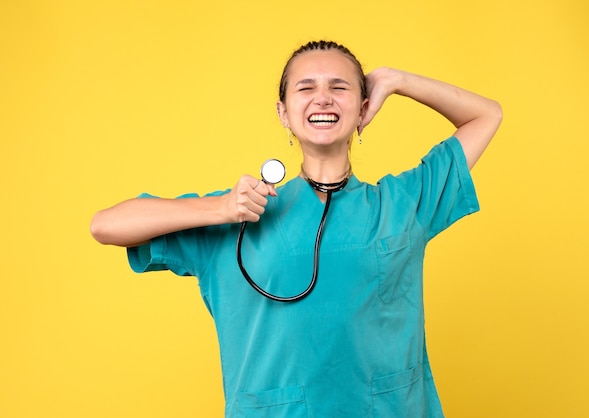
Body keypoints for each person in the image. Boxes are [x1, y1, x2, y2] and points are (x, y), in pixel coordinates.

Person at [91, 40, 502, 417]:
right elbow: (106, 225)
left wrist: (396, 80)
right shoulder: (240, 214)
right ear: (283, 112)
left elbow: (487, 115)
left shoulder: (403, 204)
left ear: (363, 107)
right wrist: (219, 208)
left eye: (339, 87)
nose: (322, 97)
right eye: (306, 88)